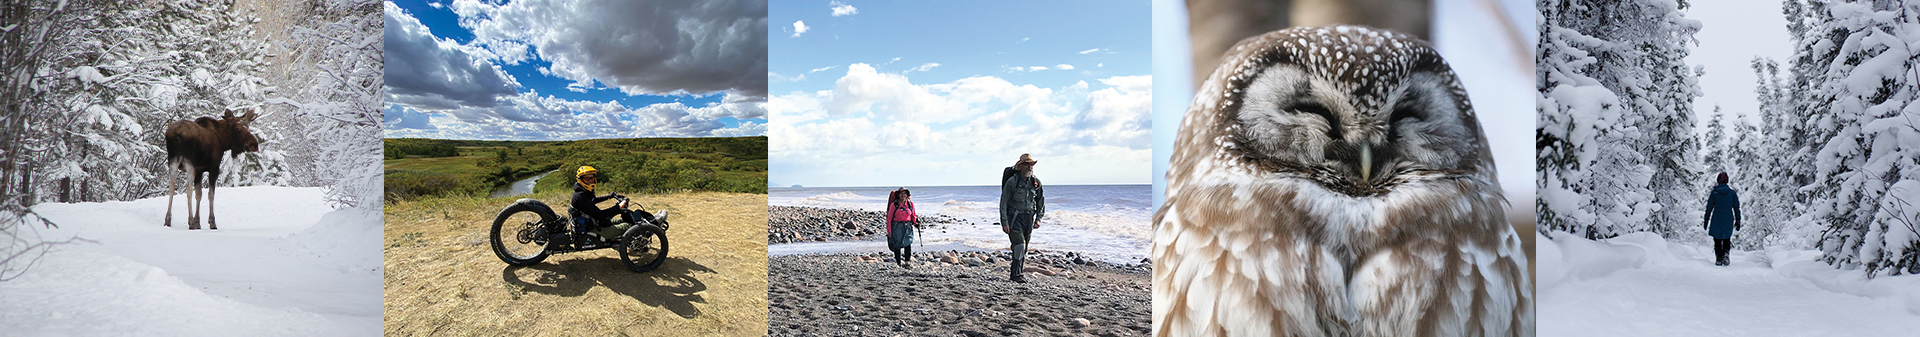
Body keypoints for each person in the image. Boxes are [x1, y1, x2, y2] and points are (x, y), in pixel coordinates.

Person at [570, 165, 647, 245]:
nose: (591, 180)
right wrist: (618, 207)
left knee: (623, 220)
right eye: (587, 178)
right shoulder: (581, 196)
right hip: (591, 230)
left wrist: (608, 197)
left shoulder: (582, 192)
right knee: (628, 225)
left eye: (592, 178)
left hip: (591, 224)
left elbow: (593, 201)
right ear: (581, 180)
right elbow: (599, 215)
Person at [999, 154, 1044, 282]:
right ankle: (1016, 275)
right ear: (1021, 166)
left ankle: (1018, 272)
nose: (1030, 167)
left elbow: (1041, 201)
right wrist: (1004, 222)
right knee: (1019, 245)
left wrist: (1039, 218)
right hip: (1014, 217)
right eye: (1027, 164)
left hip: (1029, 217)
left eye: (1031, 165)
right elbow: (1004, 202)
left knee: (1024, 248)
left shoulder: (1036, 182)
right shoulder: (1012, 182)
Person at [1703, 172, 1743, 266]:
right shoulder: (1732, 193)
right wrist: (1738, 219)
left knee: (1717, 239)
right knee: (1726, 238)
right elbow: (1736, 207)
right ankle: (1726, 255)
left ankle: (1719, 258)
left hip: (1717, 217)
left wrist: (1706, 219)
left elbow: (1709, 207)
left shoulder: (1715, 193)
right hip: (1728, 218)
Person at [886, 188, 922, 268]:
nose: (903, 195)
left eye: (904, 193)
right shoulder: (894, 205)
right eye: (901, 193)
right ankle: (898, 263)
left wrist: (916, 223)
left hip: (907, 226)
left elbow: (913, 215)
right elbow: (889, 219)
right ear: (898, 195)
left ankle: (907, 262)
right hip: (896, 226)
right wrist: (889, 231)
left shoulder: (910, 204)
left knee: (908, 244)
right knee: (897, 245)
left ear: (907, 195)